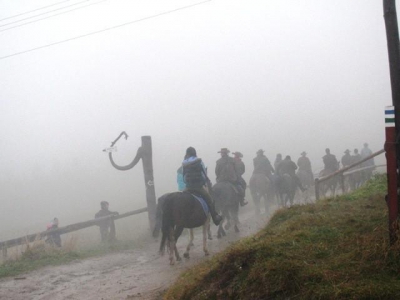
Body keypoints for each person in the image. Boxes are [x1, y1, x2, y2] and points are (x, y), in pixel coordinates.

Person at [182, 147, 222, 226]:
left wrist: (187, 183)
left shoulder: (184, 163)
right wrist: (203, 182)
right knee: (209, 199)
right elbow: (204, 174)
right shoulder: (199, 161)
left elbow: (184, 176)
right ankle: (215, 217)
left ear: (187, 153)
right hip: (198, 186)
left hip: (188, 187)